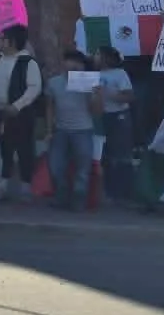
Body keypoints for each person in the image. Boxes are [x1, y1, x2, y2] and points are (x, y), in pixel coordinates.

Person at [0, 24, 43, 202]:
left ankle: (26, 185)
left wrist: (17, 106)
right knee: (1, 148)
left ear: (12, 41)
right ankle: (1, 184)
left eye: (2, 38)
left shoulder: (27, 63)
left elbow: (34, 88)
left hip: (19, 113)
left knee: (24, 148)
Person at [44, 50, 99, 211]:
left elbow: (96, 111)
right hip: (60, 130)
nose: (74, 65)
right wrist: (49, 130)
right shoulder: (54, 82)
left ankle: (78, 199)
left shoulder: (89, 83)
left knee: (83, 168)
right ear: (63, 64)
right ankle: (61, 197)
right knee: (55, 166)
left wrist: (96, 95)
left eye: (78, 63)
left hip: (83, 130)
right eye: (70, 61)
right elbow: (50, 107)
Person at [94, 46, 135, 205]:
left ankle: (125, 192)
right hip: (101, 117)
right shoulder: (93, 75)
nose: (95, 58)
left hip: (119, 117)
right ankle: (108, 191)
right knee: (105, 155)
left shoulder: (120, 74)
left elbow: (129, 96)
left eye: (98, 54)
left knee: (121, 155)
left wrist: (107, 93)